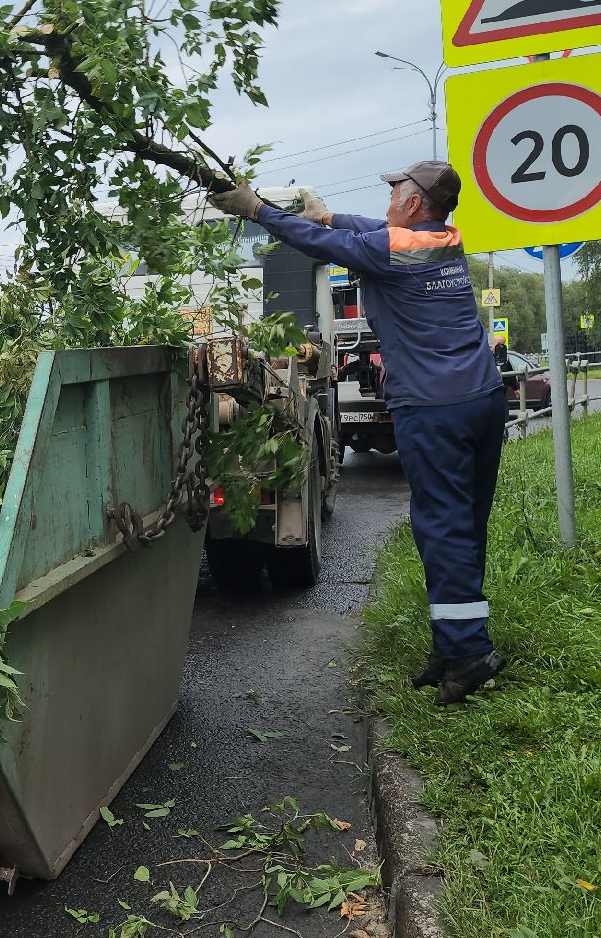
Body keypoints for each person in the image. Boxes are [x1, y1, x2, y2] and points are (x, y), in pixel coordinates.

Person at [211, 161, 509, 704]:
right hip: (482, 399)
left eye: (397, 190)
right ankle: (455, 642)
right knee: (463, 524)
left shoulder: (390, 250)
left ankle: (468, 652)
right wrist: (329, 214)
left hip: (434, 405)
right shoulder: (443, 239)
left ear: (415, 202)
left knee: (441, 526)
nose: (392, 197)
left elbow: (319, 243)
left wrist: (258, 211)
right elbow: (371, 230)